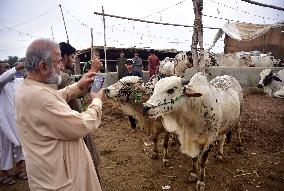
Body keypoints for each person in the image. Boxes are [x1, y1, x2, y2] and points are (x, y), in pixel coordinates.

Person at [15, 38, 104, 191]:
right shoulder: (41, 98)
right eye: (58, 62)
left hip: (50, 172)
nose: (61, 66)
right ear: (43, 67)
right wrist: (96, 102)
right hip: (61, 180)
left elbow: (55, 96)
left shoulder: (29, 87)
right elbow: (81, 124)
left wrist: (77, 86)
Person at [58, 42, 102, 180]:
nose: (73, 60)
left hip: (65, 128)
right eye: (71, 57)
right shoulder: (62, 77)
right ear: (64, 57)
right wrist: (95, 71)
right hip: (74, 125)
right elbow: (83, 91)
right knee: (87, 161)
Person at [0, 62, 27, 185]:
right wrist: (17, 67)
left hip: (18, 122)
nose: (9, 69)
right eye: (6, 67)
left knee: (21, 144)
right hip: (4, 124)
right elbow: (4, 77)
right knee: (5, 148)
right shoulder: (1, 83)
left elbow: (28, 79)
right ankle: (3, 173)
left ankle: (19, 170)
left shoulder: (17, 81)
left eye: (9, 66)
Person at [122, 59, 142, 132]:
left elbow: (140, 81)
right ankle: (133, 127)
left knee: (138, 109)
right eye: (127, 65)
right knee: (129, 110)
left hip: (137, 93)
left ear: (132, 65)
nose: (128, 66)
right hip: (129, 94)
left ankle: (140, 124)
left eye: (130, 64)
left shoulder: (137, 72)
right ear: (125, 65)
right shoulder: (125, 74)